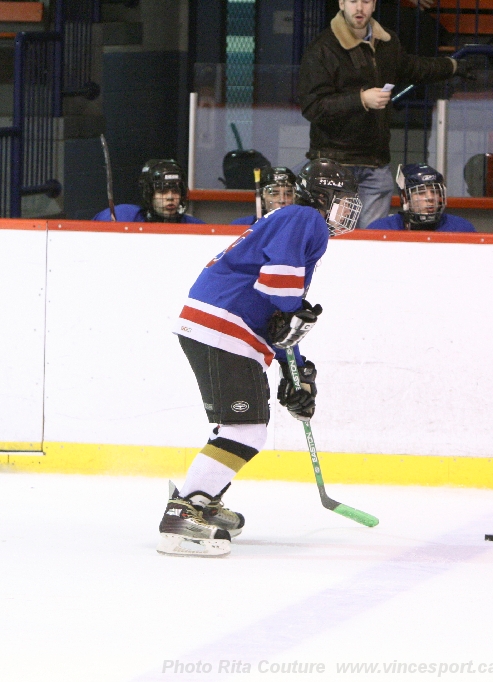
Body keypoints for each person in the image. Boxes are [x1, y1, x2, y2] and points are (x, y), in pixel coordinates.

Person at [159, 159, 362, 557]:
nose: (346, 212)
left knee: (236, 426)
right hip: (223, 327)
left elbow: (279, 316)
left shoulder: (291, 221)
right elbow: (280, 294)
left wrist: (295, 369)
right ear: (323, 197)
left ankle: (203, 500)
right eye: (342, 202)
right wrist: (293, 325)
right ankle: (184, 512)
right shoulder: (306, 218)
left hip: (216, 325)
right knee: (246, 429)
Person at [299, 0, 472, 230]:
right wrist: (361, 99)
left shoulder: (387, 42)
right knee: (333, 240)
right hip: (334, 165)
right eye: (353, 1)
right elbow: (312, 106)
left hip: (375, 162)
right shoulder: (322, 48)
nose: (359, 8)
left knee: (373, 242)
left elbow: (412, 67)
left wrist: (452, 66)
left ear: (374, 5)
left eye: (365, 1)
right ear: (341, 3)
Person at [366, 163, 475, 232]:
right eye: (421, 192)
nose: (430, 198)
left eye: (435, 192)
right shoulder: (382, 229)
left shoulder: (461, 228)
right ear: (405, 198)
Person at [92, 159, 205, 224]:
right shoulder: (122, 215)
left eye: (175, 191)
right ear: (149, 194)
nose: (170, 197)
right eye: (162, 191)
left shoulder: (196, 227)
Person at [230, 167, 298, 226]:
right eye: (274, 194)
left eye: (288, 194)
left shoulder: (302, 227)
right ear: (262, 199)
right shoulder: (242, 225)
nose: (282, 200)